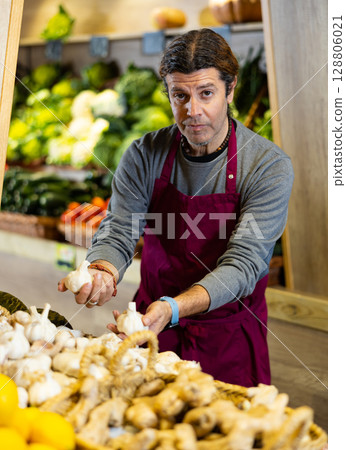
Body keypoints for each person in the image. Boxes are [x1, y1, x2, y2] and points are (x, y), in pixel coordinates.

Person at [58, 28, 294, 387]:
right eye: (179, 95)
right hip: (152, 334)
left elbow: (245, 263)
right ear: (168, 93)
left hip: (228, 340)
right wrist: (103, 270)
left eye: (206, 93)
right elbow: (120, 228)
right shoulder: (144, 155)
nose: (193, 111)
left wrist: (174, 307)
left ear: (230, 91)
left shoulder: (267, 166)